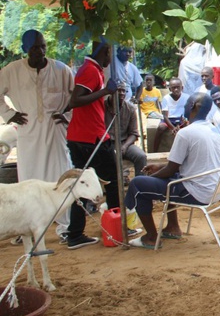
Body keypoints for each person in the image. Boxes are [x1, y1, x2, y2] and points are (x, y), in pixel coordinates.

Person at [125, 93, 220, 249]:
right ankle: (173, 227)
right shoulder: (213, 130)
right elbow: (181, 165)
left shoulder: (186, 133)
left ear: (193, 107)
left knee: (138, 185)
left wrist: (153, 177)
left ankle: (151, 237)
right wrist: (160, 169)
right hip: (214, 189)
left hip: (196, 192)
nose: (184, 105)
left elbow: (170, 170)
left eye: (187, 103)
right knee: (170, 179)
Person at [0, 29, 74, 236]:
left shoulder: (61, 70)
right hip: (28, 132)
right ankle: (26, 227)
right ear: (25, 49)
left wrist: (67, 115)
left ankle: (64, 226)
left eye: (42, 46)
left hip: (55, 131)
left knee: (60, 175)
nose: (39, 51)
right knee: (29, 180)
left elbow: (76, 96)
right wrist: (9, 114)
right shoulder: (11, 71)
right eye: (34, 48)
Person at [65, 39, 120, 249]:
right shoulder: (89, 70)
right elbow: (76, 100)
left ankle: (75, 233)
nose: (110, 59)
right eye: (109, 54)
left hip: (85, 136)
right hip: (90, 139)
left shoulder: (93, 70)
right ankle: (116, 225)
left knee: (83, 183)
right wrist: (105, 91)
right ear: (105, 51)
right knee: (113, 181)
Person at [105, 81, 147, 181]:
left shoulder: (130, 109)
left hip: (124, 143)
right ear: (111, 92)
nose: (122, 93)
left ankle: (140, 184)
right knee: (107, 157)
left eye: (124, 91)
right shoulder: (102, 107)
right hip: (107, 144)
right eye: (119, 90)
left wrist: (125, 146)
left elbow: (133, 133)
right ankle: (113, 183)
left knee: (141, 156)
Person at [152, 77, 190, 153]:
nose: (176, 89)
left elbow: (188, 112)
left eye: (178, 87)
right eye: (173, 88)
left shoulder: (187, 97)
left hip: (181, 119)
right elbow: (165, 116)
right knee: (161, 128)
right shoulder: (166, 98)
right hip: (169, 119)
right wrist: (173, 128)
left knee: (189, 128)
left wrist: (185, 121)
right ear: (170, 89)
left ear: (182, 88)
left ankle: (188, 151)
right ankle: (154, 151)